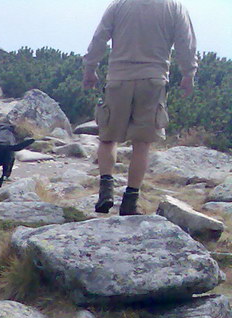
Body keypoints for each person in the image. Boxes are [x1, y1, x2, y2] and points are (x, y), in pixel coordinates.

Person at [83, 0, 197, 216]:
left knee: (108, 138)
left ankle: (106, 190)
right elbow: (186, 43)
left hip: (118, 78)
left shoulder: (119, 5)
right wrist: (188, 73)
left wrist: (90, 68)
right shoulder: (174, 7)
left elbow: (99, 38)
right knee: (142, 143)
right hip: (153, 81)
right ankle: (130, 201)